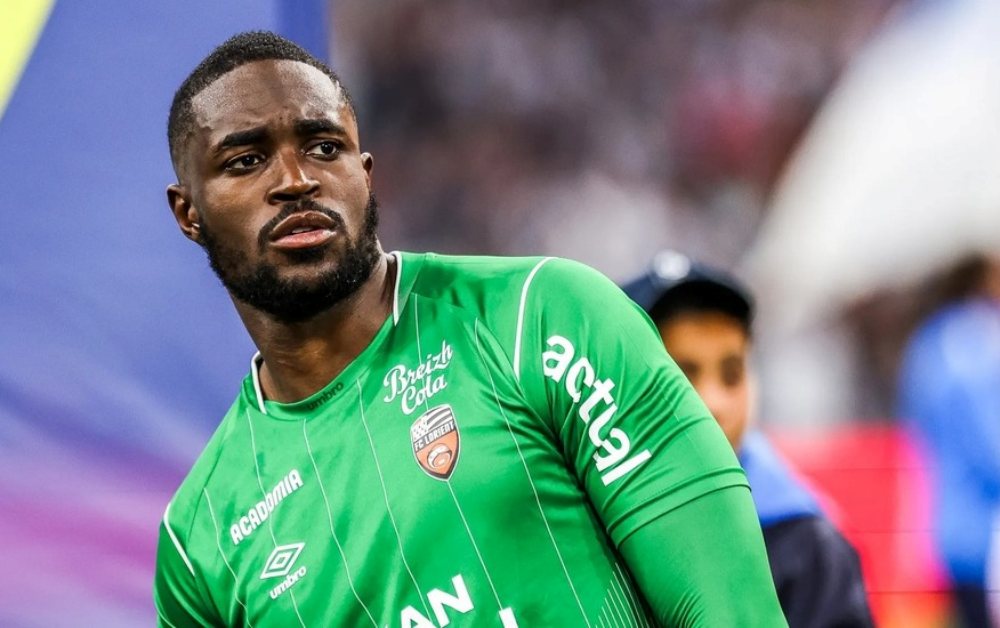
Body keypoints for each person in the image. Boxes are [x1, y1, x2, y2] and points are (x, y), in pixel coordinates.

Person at [153, 31, 785, 627]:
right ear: (188, 212)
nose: (296, 181)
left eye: (324, 147)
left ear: (365, 173)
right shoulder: (200, 540)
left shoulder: (545, 318)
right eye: (246, 160)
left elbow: (736, 612)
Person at [623, 250, 874, 628]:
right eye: (679, 376)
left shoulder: (803, 544)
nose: (714, 402)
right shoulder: (575, 527)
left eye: (732, 374)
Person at [897, 253, 1000, 628]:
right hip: (982, 532)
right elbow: (990, 446)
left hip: (943, 523)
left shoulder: (928, 340)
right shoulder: (976, 342)